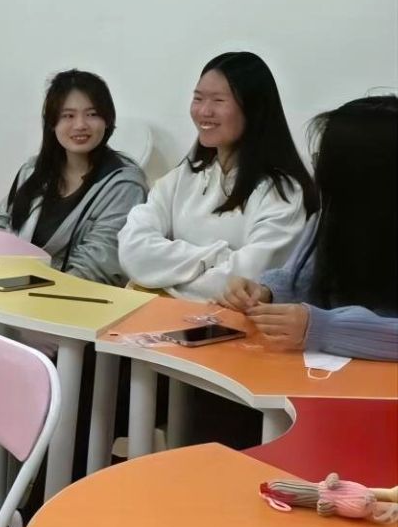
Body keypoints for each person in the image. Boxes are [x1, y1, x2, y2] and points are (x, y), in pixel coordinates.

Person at [0, 71, 146, 498]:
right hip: (10, 296)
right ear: (51, 122)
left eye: (91, 114)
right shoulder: (36, 169)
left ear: (108, 120)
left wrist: (17, 287)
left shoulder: (123, 181)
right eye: (67, 115)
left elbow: (99, 266)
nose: (80, 125)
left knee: (2, 350)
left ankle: (26, 467)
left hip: (67, 312)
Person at [119, 51, 313, 301]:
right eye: (198, 98)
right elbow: (132, 250)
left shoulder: (283, 193)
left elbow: (248, 283)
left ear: (254, 109)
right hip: (161, 316)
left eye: (218, 100)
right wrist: (218, 257)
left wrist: (161, 280)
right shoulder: (183, 176)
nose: (204, 111)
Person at [224, 94, 398, 361]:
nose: (317, 170)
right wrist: (266, 293)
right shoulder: (334, 216)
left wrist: (325, 328)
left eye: (325, 161)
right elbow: (302, 277)